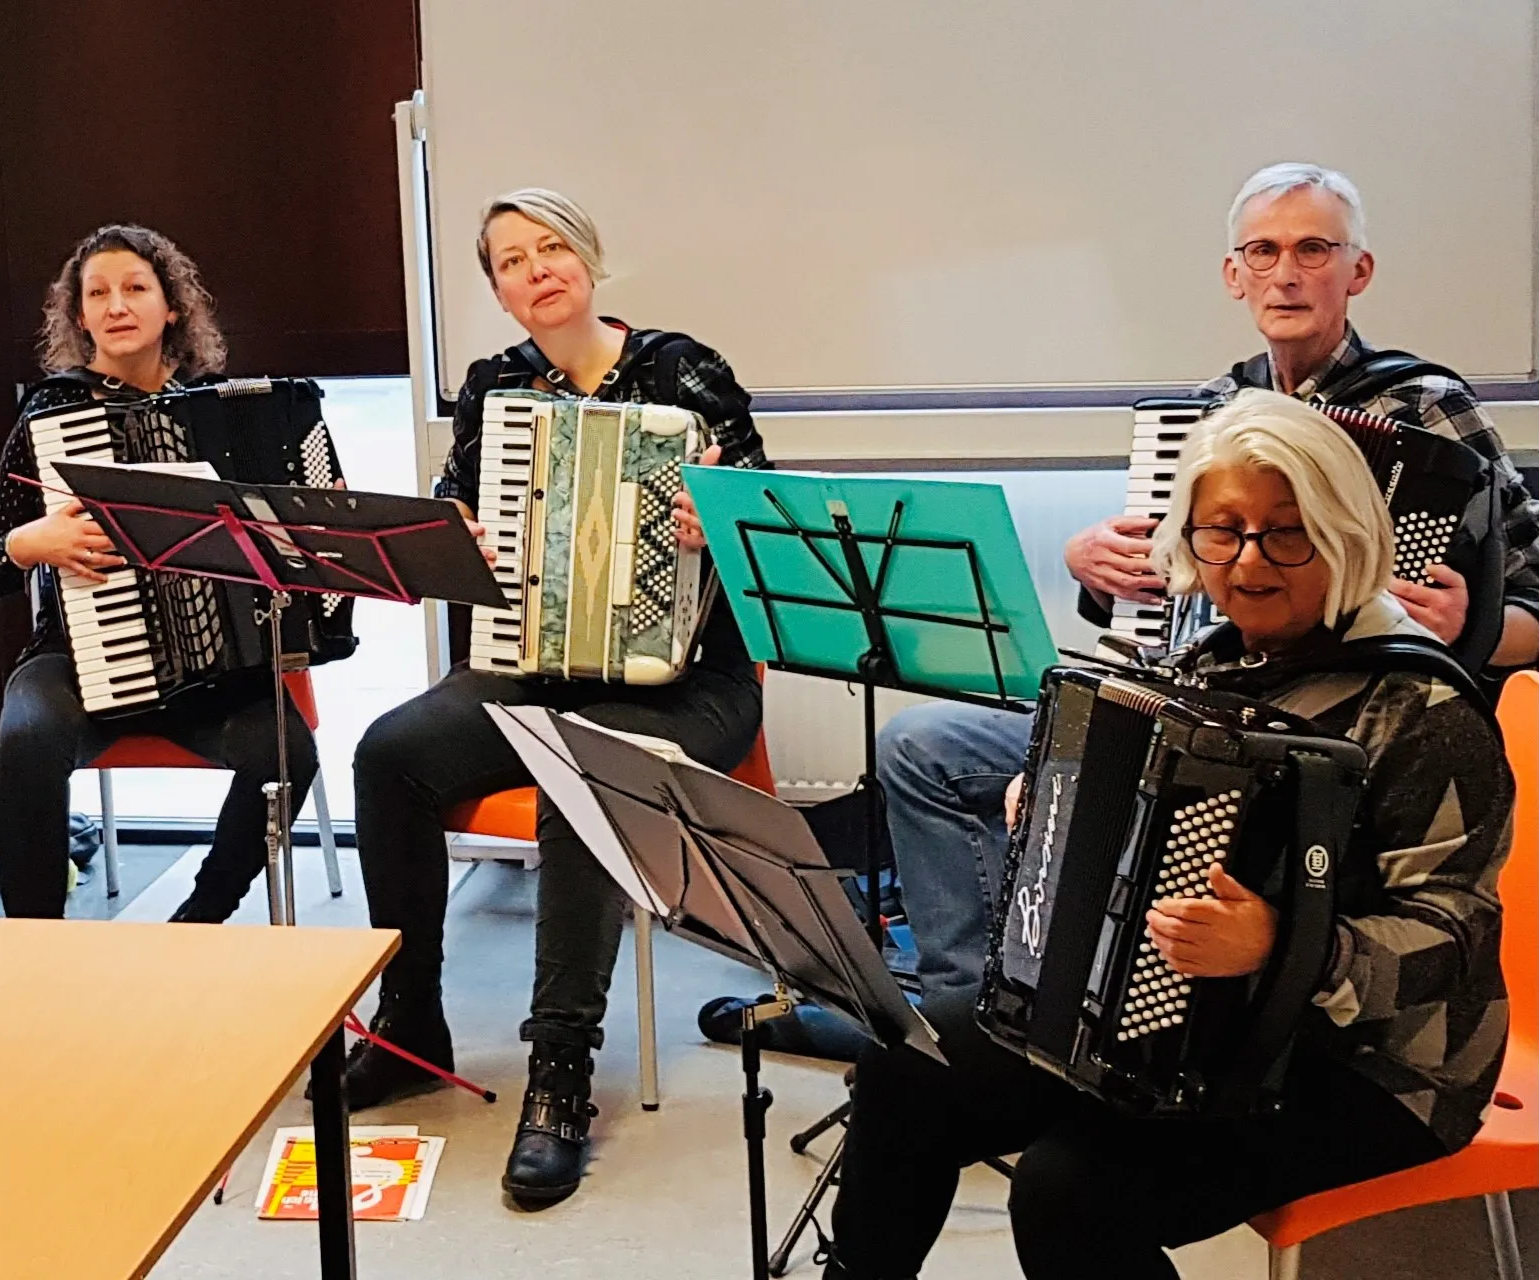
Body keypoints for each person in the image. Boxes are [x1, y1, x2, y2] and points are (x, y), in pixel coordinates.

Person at [827, 389, 1513, 1280]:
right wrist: (1051, 808)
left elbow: (1454, 936)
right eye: (1218, 531)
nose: (1247, 562)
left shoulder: (1422, 707)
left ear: (1345, 529)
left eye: (1286, 531)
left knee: (1068, 1191)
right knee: (908, 1063)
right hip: (1181, 1011)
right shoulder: (1213, 658)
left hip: (1378, 1065)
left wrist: (1281, 948)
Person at [877, 161, 1539, 1021]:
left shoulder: (1426, 412)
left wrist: (1469, 631)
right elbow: (1165, 591)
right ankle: (976, 1003)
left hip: (1333, 740)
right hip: (1178, 704)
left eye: (1312, 249)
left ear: (1357, 272)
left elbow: (1529, 604)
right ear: (1233, 276)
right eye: (1261, 251)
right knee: (921, 746)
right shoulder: (1208, 415)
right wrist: (1093, 567)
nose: (1286, 272)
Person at [349, 189, 769, 1208]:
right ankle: (409, 1022)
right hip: (528, 663)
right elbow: (455, 516)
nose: (535, 269)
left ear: (587, 259)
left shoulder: (683, 369)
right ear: (494, 289)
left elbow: (768, 513)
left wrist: (717, 514)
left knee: (574, 772)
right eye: (509, 260)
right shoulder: (494, 387)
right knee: (386, 753)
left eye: (551, 248)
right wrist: (469, 540)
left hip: (689, 682)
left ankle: (560, 1073)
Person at [0, 223, 319, 923]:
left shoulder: (227, 415)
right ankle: (33, 943)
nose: (115, 305)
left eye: (134, 288)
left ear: (171, 307)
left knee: (286, 753)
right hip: (75, 658)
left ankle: (200, 918)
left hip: (213, 670)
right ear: (79, 314)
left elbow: (294, 549)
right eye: (97, 293)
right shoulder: (53, 411)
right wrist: (29, 543)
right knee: (26, 737)